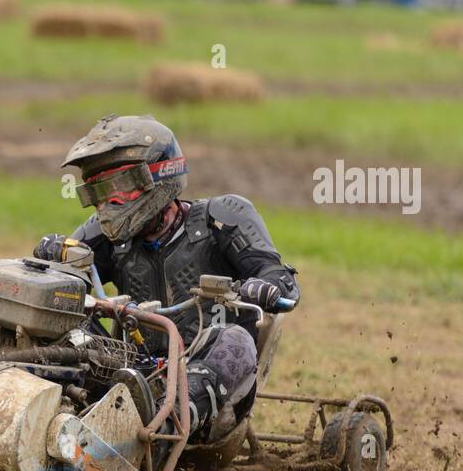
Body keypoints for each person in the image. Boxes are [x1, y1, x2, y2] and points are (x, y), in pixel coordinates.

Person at [35, 114, 300, 441]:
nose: (108, 203)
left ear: (158, 177)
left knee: (234, 340)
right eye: (99, 192)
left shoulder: (221, 218)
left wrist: (266, 285)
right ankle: (43, 415)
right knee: (65, 324)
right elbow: (59, 287)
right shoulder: (107, 238)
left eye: (118, 189)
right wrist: (51, 258)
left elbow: (280, 277)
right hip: (131, 375)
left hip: (216, 390)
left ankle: (167, 427)